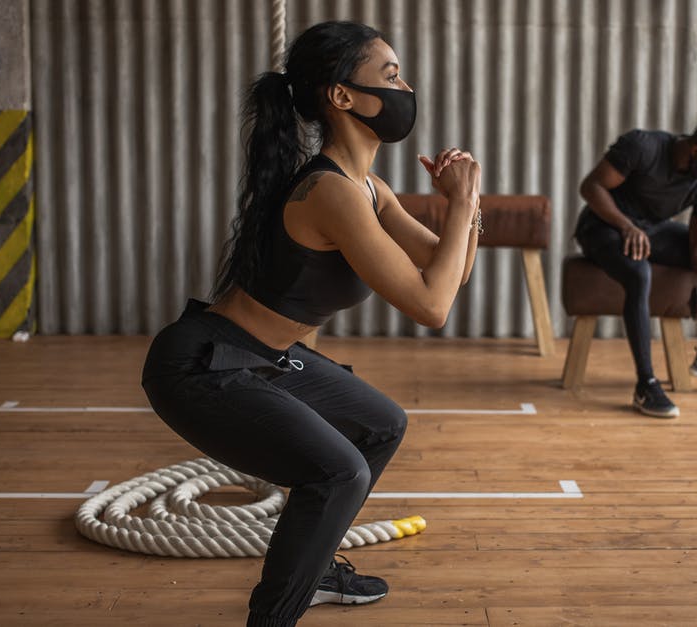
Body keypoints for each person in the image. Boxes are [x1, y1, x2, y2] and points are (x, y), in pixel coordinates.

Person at [140, 21, 481, 627]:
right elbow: (432, 307)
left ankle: (316, 569)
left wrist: (467, 202)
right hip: (201, 366)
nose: (406, 87)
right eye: (391, 74)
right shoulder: (330, 192)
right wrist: (458, 203)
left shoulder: (368, 188)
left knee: (381, 424)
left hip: (262, 359)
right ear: (343, 96)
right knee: (338, 470)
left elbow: (450, 271)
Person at [574, 115, 697, 418]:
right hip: (602, 227)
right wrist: (626, 226)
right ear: (696, 149)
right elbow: (591, 187)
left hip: (650, 232)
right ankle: (646, 384)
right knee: (638, 272)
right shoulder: (644, 147)